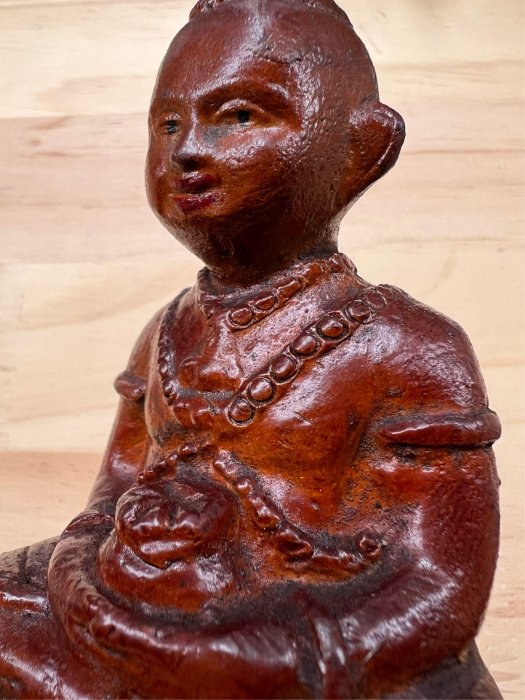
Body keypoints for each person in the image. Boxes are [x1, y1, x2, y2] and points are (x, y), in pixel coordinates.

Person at [0, 0, 502, 697]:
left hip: (300, 633)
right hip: (136, 598)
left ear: (363, 150)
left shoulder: (407, 348)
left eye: (238, 116)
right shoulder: (165, 332)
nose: (187, 149)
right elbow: (113, 491)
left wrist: (274, 655)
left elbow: (442, 588)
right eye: (167, 125)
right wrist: (82, 573)